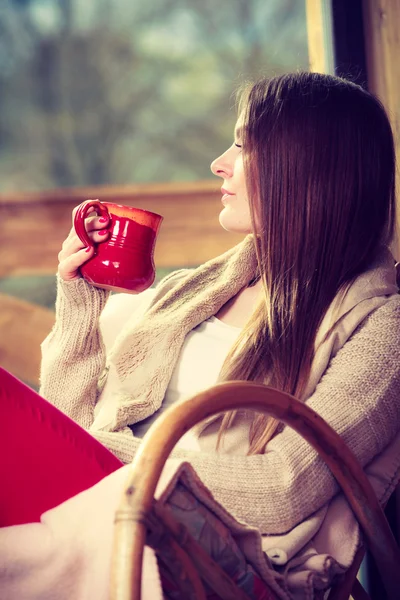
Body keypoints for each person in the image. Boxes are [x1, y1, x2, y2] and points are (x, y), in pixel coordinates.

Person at [1, 72, 400, 599]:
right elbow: (70, 429)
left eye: (244, 145)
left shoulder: (383, 331)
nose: (219, 163)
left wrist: (117, 462)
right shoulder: (195, 292)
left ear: (309, 170)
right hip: (114, 515)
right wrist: (80, 299)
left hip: (219, 558)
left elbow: (285, 487)